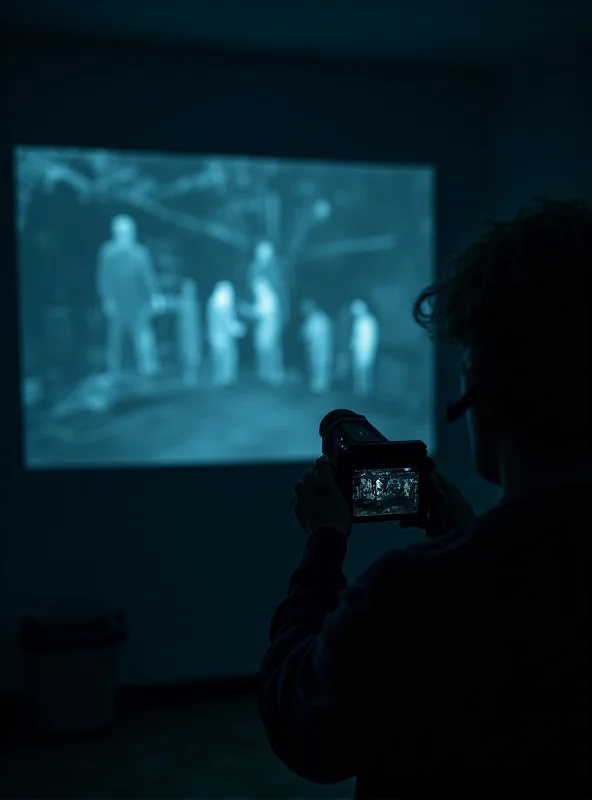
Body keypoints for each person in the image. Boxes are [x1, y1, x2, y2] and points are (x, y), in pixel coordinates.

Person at [258, 198, 590, 798]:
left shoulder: (412, 595)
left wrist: (323, 545)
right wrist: (465, 537)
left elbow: (302, 725)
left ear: (484, 398)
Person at [97, 215, 162, 381]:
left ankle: (148, 368)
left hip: (138, 303)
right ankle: (114, 370)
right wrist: (107, 298)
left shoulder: (139, 253)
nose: (125, 234)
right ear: (116, 233)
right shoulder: (108, 252)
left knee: (143, 336)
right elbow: (104, 278)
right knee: (115, 339)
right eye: (121, 232)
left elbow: (148, 277)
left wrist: (154, 296)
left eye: (127, 231)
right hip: (118, 302)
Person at [206, 280, 246, 387]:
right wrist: (237, 328)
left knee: (219, 358)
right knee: (227, 357)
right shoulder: (224, 305)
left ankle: (221, 377)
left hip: (215, 336)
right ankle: (226, 378)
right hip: (223, 337)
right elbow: (227, 323)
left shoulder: (212, 302)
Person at [300, 298, 334, 394]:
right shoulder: (309, 319)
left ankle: (323, 385)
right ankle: (316, 384)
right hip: (313, 347)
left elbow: (322, 333)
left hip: (322, 347)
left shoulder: (321, 318)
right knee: (314, 364)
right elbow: (306, 333)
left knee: (322, 364)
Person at [349, 299, 379, 397]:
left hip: (365, 351)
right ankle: (359, 392)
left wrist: (368, 353)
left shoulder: (369, 321)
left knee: (365, 373)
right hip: (358, 350)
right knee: (358, 373)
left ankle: (365, 393)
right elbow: (356, 336)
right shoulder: (358, 321)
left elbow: (370, 340)